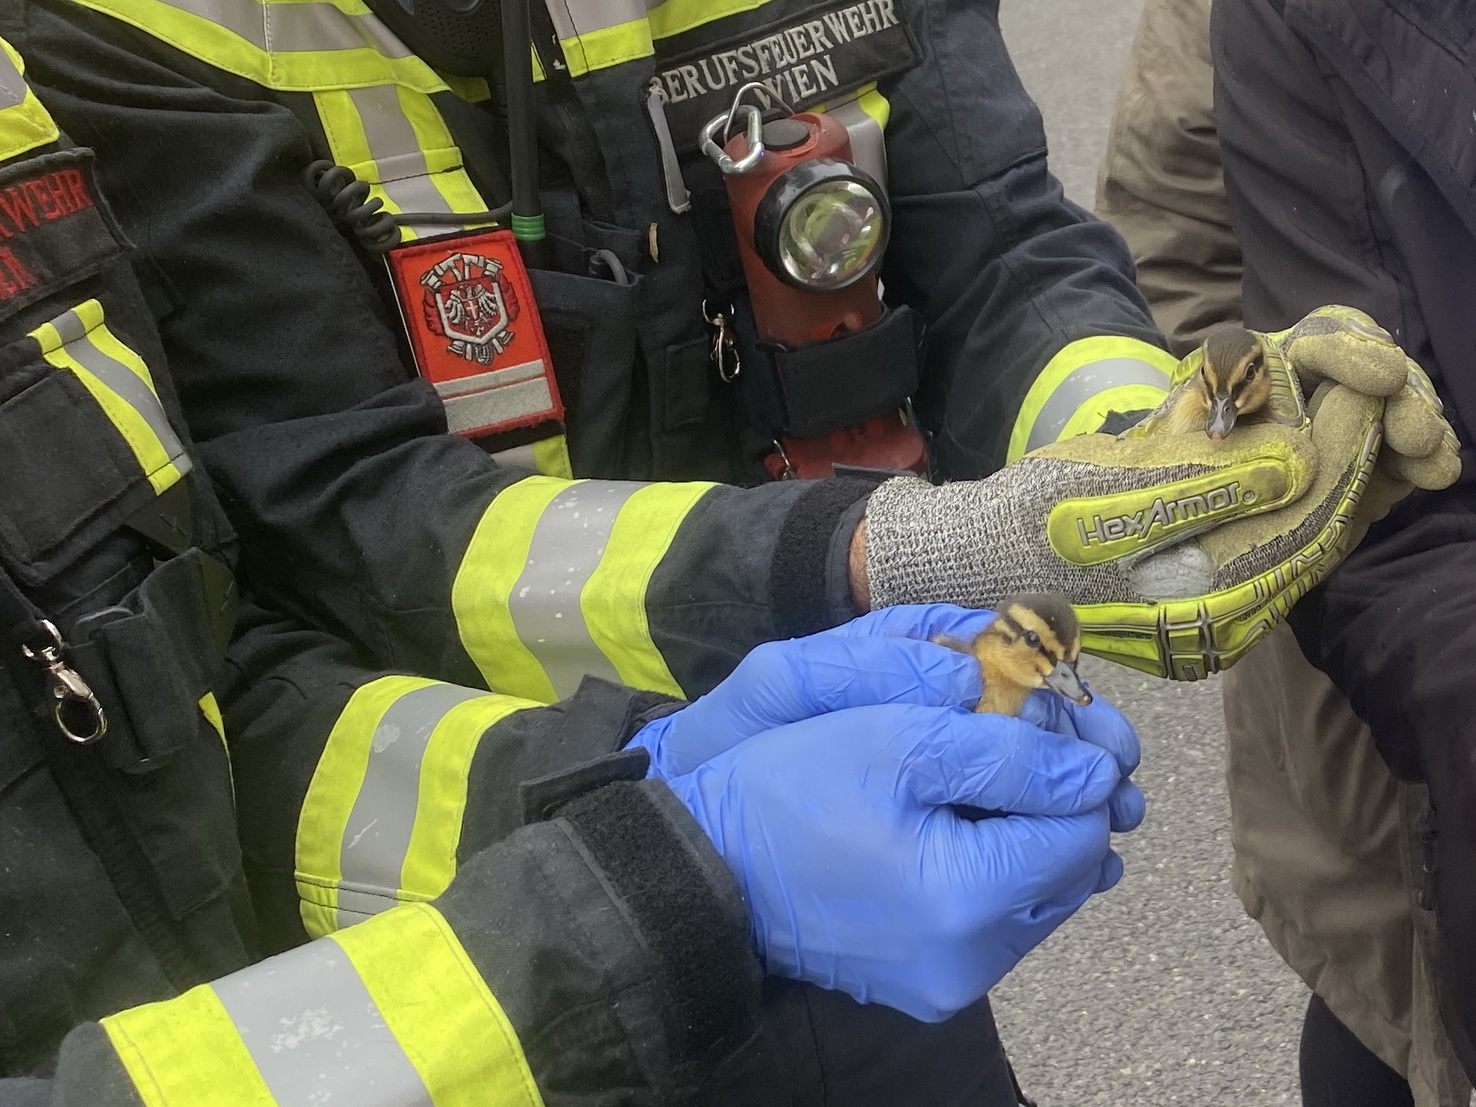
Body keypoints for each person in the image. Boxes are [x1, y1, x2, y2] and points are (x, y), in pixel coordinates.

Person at [0, 0, 1457, 1101]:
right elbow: (359, 523)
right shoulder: (125, 33)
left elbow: (1001, 241)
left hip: (857, 831)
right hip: (444, 905)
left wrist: (1143, 448)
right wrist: (909, 558)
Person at [1097, 2, 1474, 1105]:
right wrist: (1296, 463)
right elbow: (1179, 274)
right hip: (1383, 670)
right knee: (1395, 999)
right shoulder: (1249, 29)